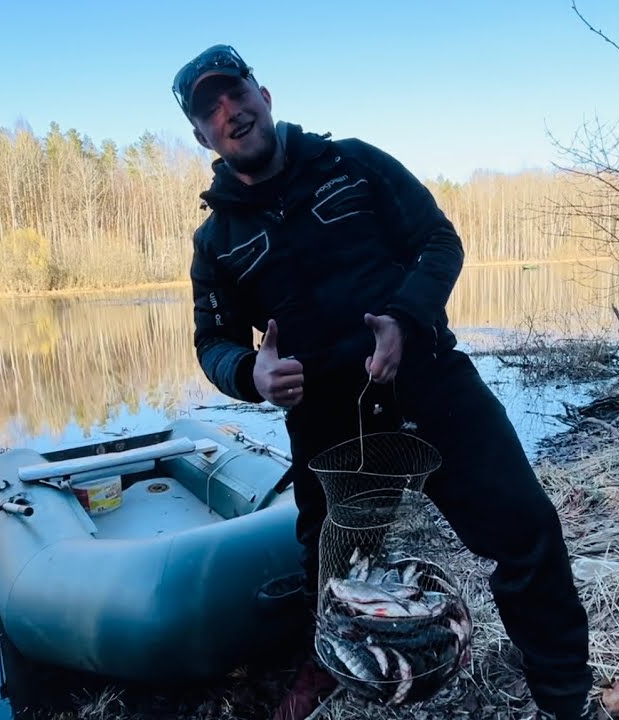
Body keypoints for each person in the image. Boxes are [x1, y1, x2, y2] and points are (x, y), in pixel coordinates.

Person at [172, 44, 594, 720]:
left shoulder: (355, 164)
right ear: (202, 136)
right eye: (210, 109)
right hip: (329, 423)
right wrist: (252, 372)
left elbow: (439, 242)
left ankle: (564, 695)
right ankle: (330, 668)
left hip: (430, 383)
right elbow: (212, 343)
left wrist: (404, 318)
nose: (230, 111)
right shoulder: (215, 241)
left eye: (236, 93)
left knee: (528, 535)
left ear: (264, 96)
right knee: (331, 569)